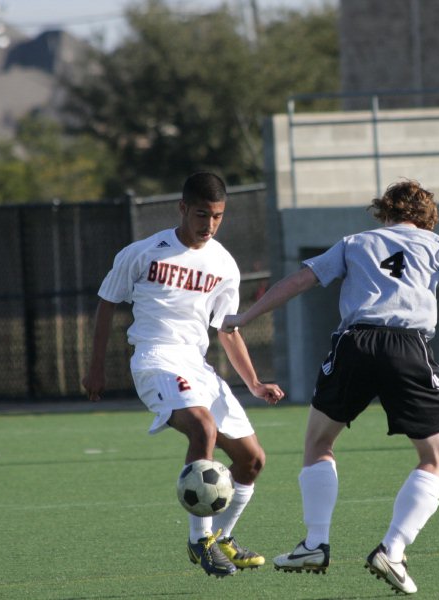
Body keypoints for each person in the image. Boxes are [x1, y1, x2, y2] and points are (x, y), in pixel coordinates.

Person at [221, 179, 439, 594]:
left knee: (319, 443)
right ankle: (392, 549)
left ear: (385, 212)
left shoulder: (355, 241)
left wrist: (245, 317)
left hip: (353, 344)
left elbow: (299, 281)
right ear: (428, 218)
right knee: (438, 458)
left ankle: (315, 543)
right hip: (407, 348)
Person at [82, 172, 285, 578]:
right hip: (155, 358)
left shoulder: (224, 263)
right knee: (203, 428)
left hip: (198, 366)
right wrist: (95, 368)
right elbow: (106, 303)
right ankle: (199, 541)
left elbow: (227, 329)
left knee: (252, 461)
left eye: (217, 216)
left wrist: (255, 383)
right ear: (182, 208)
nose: (208, 224)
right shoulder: (142, 252)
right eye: (201, 214)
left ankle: (222, 538)